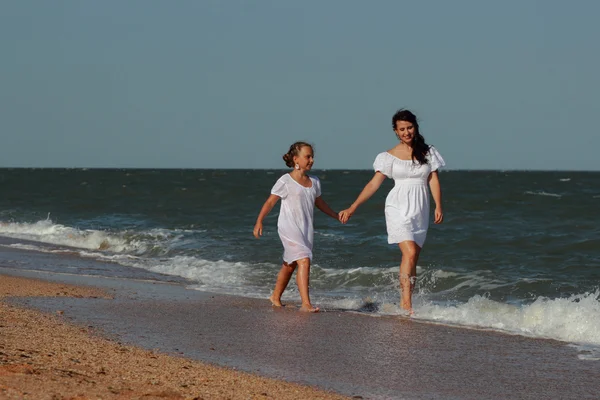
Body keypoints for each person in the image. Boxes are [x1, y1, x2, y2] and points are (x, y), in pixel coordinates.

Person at [338, 109, 445, 313]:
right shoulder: (388, 157)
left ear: (416, 127)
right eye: (402, 129)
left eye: (410, 127)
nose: (406, 132)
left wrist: (438, 205)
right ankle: (406, 304)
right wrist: (353, 207)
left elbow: (433, 180)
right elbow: (373, 185)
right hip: (397, 206)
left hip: (420, 208)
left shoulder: (428, 152)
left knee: (413, 258)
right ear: (396, 131)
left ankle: (406, 300)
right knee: (410, 252)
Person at [253, 141, 339, 312]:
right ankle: (306, 304)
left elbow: (319, 203)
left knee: (289, 264)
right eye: (307, 156)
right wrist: (259, 221)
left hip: (305, 229)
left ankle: (275, 296)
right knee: (304, 260)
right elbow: (270, 202)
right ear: (296, 159)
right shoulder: (285, 181)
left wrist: (335, 215)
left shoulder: (314, 182)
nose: (311, 160)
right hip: (288, 227)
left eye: (312, 157)